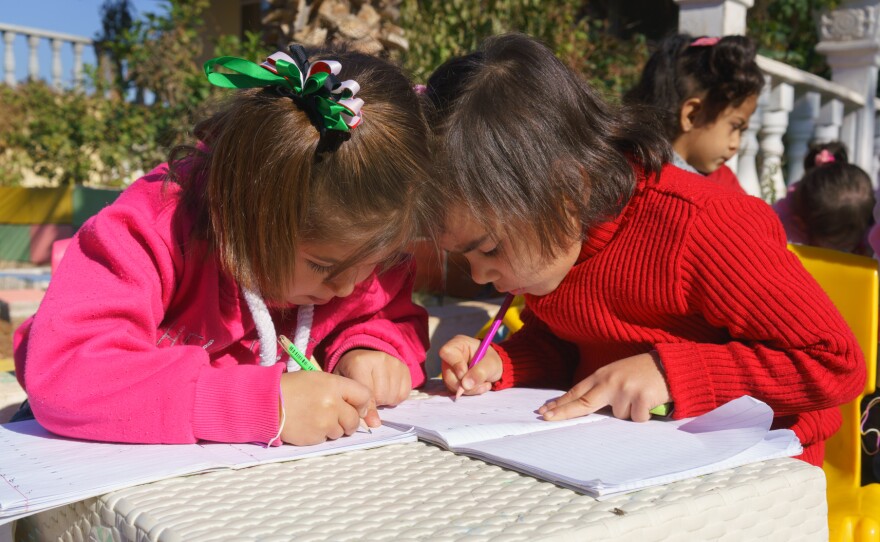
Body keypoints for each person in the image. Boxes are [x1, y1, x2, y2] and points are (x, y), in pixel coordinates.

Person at [426, 33, 865, 466]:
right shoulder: (558, 245)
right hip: (629, 459)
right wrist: (504, 362)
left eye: (489, 248)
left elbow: (834, 363)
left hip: (757, 471)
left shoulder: (704, 226)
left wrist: (672, 373)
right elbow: (570, 341)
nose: (480, 275)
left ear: (568, 185)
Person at [12, 45, 433, 447]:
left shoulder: (355, 254)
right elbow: (66, 374)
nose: (348, 288)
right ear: (251, 211)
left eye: (373, 263)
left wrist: (369, 349)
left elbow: (390, 314)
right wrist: (262, 404)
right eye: (324, 266)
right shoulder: (153, 230)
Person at [624, 33, 764, 193]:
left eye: (742, 131)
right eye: (735, 127)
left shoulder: (724, 179)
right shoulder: (638, 178)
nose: (735, 144)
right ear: (691, 115)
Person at [774, 142, 874, 255]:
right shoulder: (787, 231)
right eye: (841, 247)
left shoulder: (867, 224)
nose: (842, 253)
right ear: (803, 225)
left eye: (848, 246)